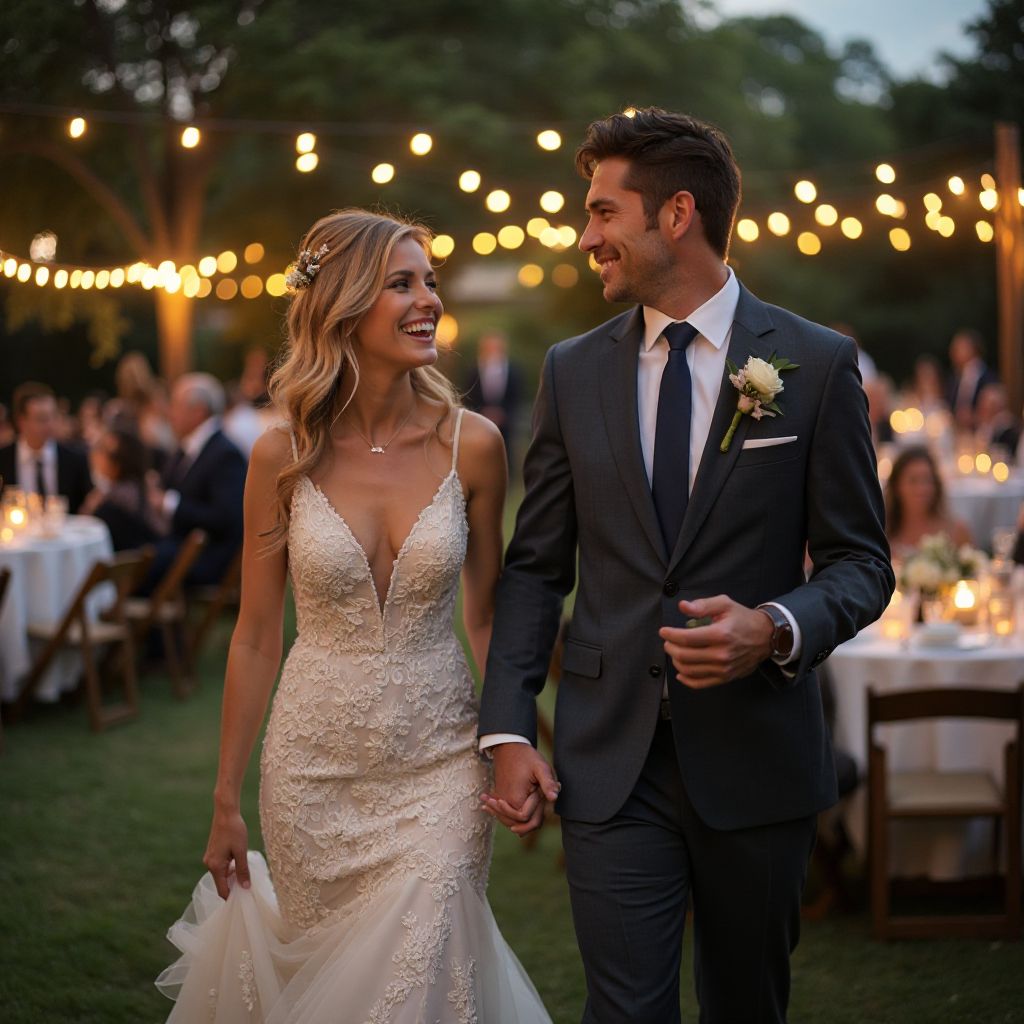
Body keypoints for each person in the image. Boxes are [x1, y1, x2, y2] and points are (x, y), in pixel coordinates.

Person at [477, 108, 893, 1024]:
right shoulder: (571, 372)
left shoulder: (815, 364)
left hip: (758, 757)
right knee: (625, 1010)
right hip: (608, 760)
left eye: (603, 212)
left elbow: (862, 563)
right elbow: (536, 569)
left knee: (747, 1006)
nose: (586, 237)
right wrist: (507, 728)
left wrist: (774, 627)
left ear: (676, 214)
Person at [156, 209, 551, 1023]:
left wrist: (516, 738)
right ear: (343, 305)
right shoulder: (282, 454)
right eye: (402, 284)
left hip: (440, 760)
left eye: (430, 282)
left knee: (426, 960)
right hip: (311, 774)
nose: (429, 300)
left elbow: (485, 618)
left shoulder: (474, 446)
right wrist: (226, 799)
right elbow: (256, 637)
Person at [143, 374, 246, 591]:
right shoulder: (189, 447)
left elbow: (225, 519)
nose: (170, 412)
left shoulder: (225, 454)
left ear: (198, 410)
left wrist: (169, 503)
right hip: (181, 546)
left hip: (207, 557)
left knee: (141, 563)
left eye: (176, 405)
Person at [0, 381, 93, 512]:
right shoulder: (3, 460)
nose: (50, 425)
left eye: (53, 417)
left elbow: (86, 506)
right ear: (21, 421)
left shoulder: (75, 459)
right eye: (41, 419)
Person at [79, 427, 167, 551]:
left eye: (103, 450)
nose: (95, 454)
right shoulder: (137, 488)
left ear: (117, 465)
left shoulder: (116, 500)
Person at [884, 446, 971, 560]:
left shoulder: (956, 531)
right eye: (913, 481)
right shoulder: (884, 532)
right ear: (896, 486)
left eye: (927, 480)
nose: (922, 489)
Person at [462, 329, 524, 465]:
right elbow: (468, 396)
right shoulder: (473, 370)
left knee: (505, 457)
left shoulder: (514, 370)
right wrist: (482, 413)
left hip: (505, 425)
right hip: (479, 422)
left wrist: (503, 414)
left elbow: (517, 397)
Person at [947, 327, 998, 432]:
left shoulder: (989, 379)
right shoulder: (955, 379)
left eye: (959, 348)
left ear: (973, 349)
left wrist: (975, 417)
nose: (953, 353)